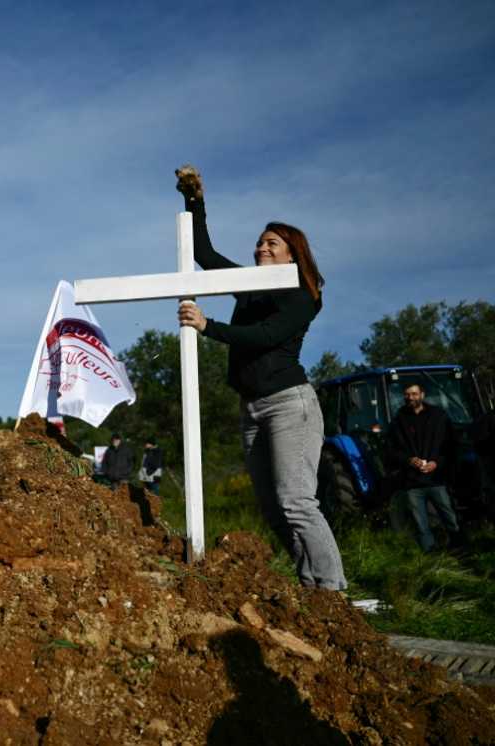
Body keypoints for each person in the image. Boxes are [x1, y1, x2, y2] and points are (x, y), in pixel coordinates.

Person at [174, 164, 346, 590]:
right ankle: (310, 586)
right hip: (250, 407)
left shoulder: (303, 294)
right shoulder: (250, 285)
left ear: (292, 254)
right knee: (272, 508)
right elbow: (204, 256)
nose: (261, 248)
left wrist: (207, 326)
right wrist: (194, 201)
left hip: (290, 405)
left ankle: (331, 588)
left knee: (296, 502)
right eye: (259, 242)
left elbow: (267, 335)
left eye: (272, 243)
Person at [388, 382, 462, 551]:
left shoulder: (438, 416)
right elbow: (392, 450)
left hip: (436, 479)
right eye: (407, 395)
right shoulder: (399, 420)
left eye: (414, 394)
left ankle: (460, 550)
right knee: (420, 524)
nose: (410, 398)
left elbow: (450, 445)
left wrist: (436, 462)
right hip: (412, 482)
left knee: (449, 517)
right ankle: (429, 555)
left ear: (422, 395)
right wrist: (409, 460)